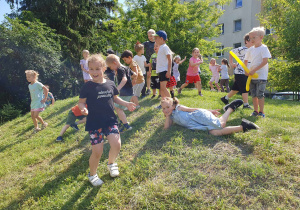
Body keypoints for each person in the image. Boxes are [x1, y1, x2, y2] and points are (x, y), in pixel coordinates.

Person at [78, 54, 136, 187]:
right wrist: (83, 109)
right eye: (91, 69)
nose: (94, 72)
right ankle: (92, 174)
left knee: (116, 144)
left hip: (110, 120)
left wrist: (126, 104)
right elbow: (81, 103)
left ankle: (111, 163)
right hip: (94, 124)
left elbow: (115, 98)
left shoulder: (110, 83)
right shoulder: (87, 87)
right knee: (97, 152)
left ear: (104, 68)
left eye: (97, 68)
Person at [161, 97, 259, 135]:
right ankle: (242, 126)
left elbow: (193, 109)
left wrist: (209, 111)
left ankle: (230, 110)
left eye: (167, 107)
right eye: (163, 108)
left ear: (173, 105)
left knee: (221, 125)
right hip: (197, 125)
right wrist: (168, 116)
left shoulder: (179, 107)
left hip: (199, 116)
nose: (165, 110)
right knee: (214, 132)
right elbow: (166, 128)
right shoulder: (171, 117)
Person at [244, 27, 271, 118]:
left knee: (260, 94)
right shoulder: (250, 49)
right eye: (250, 38)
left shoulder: (263, 48)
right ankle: (255, 111)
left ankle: (261, 112)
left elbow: (265, 61)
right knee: (254, 94)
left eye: (253, 38)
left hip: (261, 76)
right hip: (252, 76)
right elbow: (245, 61)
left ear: (261, 37)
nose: (251, 40)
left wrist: (253, 70)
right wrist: (246, 70)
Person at [220, 34, 253, 109]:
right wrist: (231, 63)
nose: (253, 42)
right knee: (245, 88)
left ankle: (225, 98)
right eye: (252, 41)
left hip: (246, 72)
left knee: (236, 89)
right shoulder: (243, 49)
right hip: (240, 72)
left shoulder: (252, 50)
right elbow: (231, 52)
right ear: (247, 41)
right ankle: (246, 104)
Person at [106, 54, 137, 132]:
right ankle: (122, 122)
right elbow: (135, 75)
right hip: (129, 91)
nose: (111, 69)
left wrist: (117, 89)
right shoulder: (126, 67)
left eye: (110, 66)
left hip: (125, 92)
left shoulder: (120, 69)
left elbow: (124, 79)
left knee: (118, 108)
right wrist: (133, 82)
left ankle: (126, 125)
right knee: (118, 107)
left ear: (114, 63)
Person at [153, 30, 172, 98]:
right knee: (162, 88)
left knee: (163, 88)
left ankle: (171, 103)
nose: (155, 40)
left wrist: (169, 71)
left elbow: (170, 59)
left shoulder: (165, 47)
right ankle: (163, 103)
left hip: (164, 70)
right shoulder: (161, 47)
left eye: (156, 38)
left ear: (161, 38)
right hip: (160, 71)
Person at [143, 29, 156, 96]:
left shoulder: (157, 42)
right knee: (148, 75)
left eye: (151, 36)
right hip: (148, 61)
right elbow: (140, 47)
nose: (150, 37)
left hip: (155, 61)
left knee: (155, 75)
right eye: (148, 36)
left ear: (154, 35)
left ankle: (155, 88)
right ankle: (148, 89)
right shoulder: (146, 43)